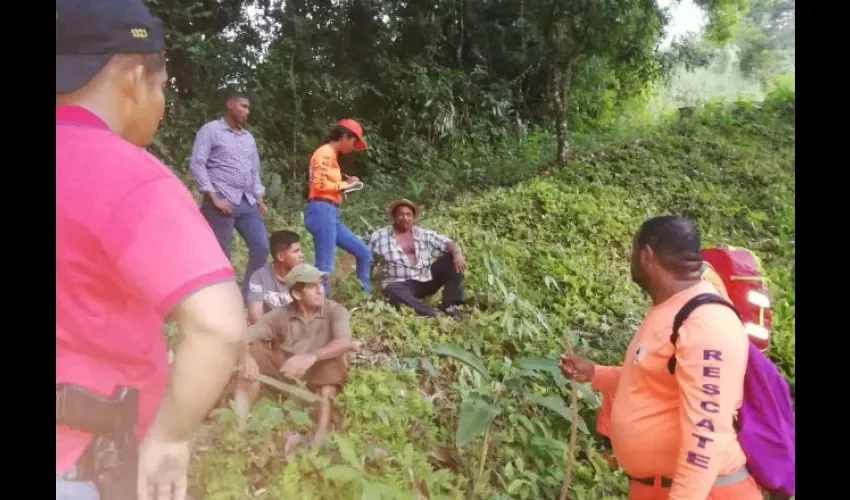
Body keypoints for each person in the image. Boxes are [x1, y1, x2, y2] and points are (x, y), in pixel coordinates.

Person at [57, 1, 247, 499]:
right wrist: (170, 436)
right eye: (162, 86)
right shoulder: (125, 176)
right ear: (136, 77)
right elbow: (217, 325)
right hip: (79, 462)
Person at [558, 216, 760, 500]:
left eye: (633, 251)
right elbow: (651, 379)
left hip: (704, 492)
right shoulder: (670, 310)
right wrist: (594, 373)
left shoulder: (706, 322)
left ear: (646, 255)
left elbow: (706, 434)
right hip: (657, 488)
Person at [234, 264, 353, 452]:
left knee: (331, 363)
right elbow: (246, 336)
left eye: (320, 283)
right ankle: (239, 427)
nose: (320, 289)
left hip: (318, 369)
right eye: (313, 286)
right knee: (255, 353)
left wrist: (312, 356)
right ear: (297, 295)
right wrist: (246, 357)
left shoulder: (336, 311)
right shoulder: (281, 314)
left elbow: (345, 341)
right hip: (286, 370)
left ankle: (319, 438)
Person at [190, 89, 269, 300]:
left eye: (248, 108)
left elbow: (254, 170)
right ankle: (221, 301)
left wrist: (258, 195)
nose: (247, 111)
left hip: (246, 201)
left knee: (261, 248)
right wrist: (214, 197)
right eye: (243, 106)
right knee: (221, 256)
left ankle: (247, 297)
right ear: (230, 105)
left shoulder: (248, 138)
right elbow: (198, 164)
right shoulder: (211, 130)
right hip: (220, 201)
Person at [303, 119, 372, 294]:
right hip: (321, 210)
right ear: (344, 136)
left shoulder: (331, 155)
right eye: (353, 142)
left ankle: (364, 296)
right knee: (324, 265)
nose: (354, 147)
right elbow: (319, 185)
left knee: (363, 253)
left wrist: (346, 184)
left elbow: (326, 184)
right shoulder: (325, 153)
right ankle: (317, 307)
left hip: (330, 211)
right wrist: (345, 185)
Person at [368, 199, 465, 319]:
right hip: (399, 283)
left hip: (425, 279)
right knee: (392, 290)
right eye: (401, 214)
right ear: (393, 216)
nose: (405, 218)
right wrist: (365, 287)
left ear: (413, 218)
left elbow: (448, 242)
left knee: (453, 258)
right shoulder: (379, 237)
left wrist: (457, 254)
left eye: (408, 214)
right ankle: (431, 314)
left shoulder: (424, 234)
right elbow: (368, 261)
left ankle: (449, 304)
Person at [246, 230, 305, 324]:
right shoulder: (259, 277)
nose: (302, 255)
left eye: (301, 251)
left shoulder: (305, 277)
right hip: (269, 332)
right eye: (296, 251)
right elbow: (254, 317)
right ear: (281, 256)